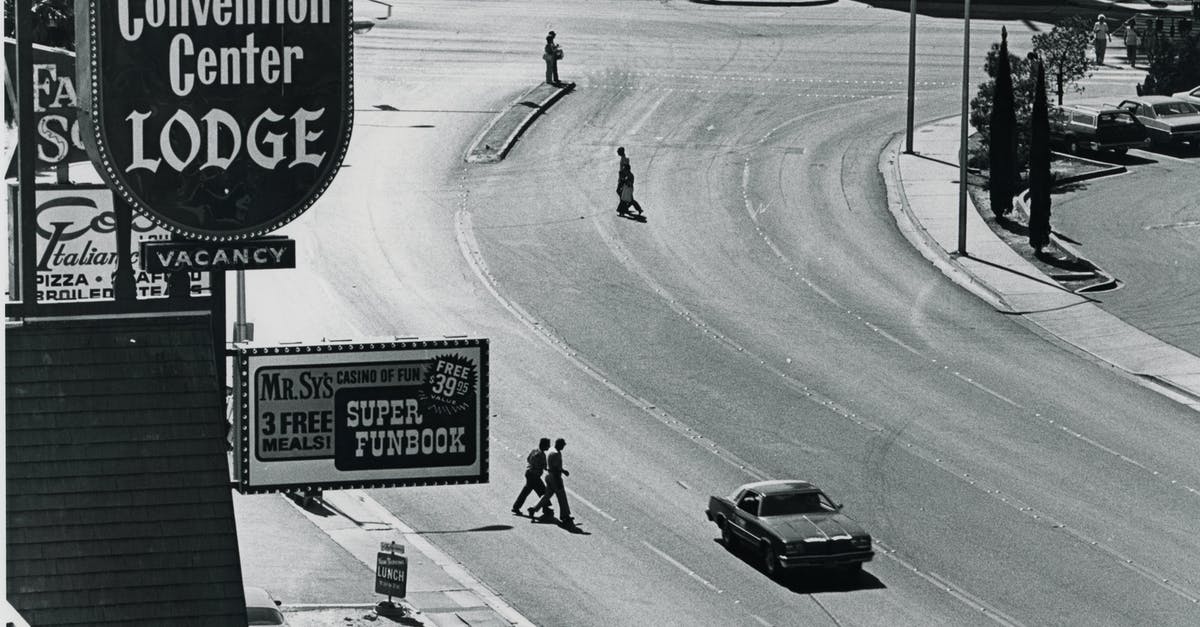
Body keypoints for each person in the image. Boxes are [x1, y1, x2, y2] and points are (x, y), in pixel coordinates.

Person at [529, 438, 571, 523]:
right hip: (554, 477)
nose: (563, 447)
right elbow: (555, 468)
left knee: (547, 495)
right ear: (559, 444)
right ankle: (565, 515)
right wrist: (560, 476)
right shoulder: (555, 453)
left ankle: (533, 509)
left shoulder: (552, 449)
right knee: (561, 496)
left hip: (549, 476)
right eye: (562, 445)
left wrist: (563, 471)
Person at [512, 438, 550, 515]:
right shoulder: (542, 455)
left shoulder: (534, 450)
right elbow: (544, 466)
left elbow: (528, 459)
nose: (549, 446)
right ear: (544, 446)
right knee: (543, 491)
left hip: (529, 473)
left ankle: (516, 507)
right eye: (548, 445)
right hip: (534, 476)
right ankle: (545, 508)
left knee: (526, 491)